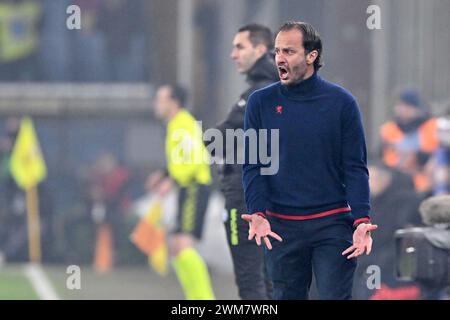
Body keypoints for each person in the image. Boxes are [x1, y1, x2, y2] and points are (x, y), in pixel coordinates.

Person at [241, 21, 377, 300]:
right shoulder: (260, 103)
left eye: (289, 51)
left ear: (311, 56)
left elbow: (355, 167)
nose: (280, 58)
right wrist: (257, 212)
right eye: (277, 51)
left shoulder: (342, 103)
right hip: (281, 228)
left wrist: (362, 219)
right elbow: (253, 165)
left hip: (332, 224)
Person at [205, 24, 278, 300]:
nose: (233, 54)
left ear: (260, 50)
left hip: (246, 198)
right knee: (272, 281)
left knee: (250, 281)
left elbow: (215, 139)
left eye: (240, 47)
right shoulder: (287, 88)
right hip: (276, 196)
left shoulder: (257, 94)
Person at [147, 84, 215, 300]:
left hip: (194, 186)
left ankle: (204, 299)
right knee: (176, 246)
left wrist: (172, 180)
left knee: (183, 245)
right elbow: (181, 158)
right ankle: (194, 298)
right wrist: (164, 174)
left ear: (173, 102)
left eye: (160, 99)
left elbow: (195, 158)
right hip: (187, 186)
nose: (156, 104)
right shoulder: (176, 124)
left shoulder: (183, 123)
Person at [353, 161, 421, 300]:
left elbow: (406, 239)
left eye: (369, 179)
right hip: (373, 266)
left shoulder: (405, 203)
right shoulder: (372, 202)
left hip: (391, 272)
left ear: (384, 179)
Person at [380, 89, 439, 195]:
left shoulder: (433, 126)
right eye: (400, 105)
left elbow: (439, 156)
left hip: (426, 184)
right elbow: (382, 159)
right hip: (395, 183)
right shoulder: (389, 129)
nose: (403, 109)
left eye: (408, 106)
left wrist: (417, 156)